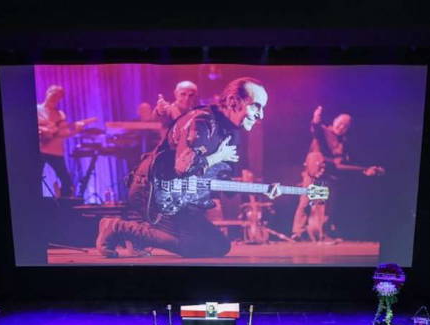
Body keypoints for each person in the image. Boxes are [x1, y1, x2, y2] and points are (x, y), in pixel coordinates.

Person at [96, 77, 278, 259]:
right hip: (151, 191)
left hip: (181, 199)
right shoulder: (202, 121)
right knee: (190, 245)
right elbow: (183, 168)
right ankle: (117, 227)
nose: (261, 115)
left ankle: (141, 236)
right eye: (256, 106)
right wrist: (217, 157)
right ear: (233, 101)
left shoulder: (228, 132)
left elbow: (222, 184)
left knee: (219, 245)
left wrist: (261, 189)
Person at [37, 85, 93, 199]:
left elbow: (65, 133)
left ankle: (64, 205)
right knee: (35, 178)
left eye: (58, 96)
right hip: (40, 149)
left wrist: (77, 129)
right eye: (53, 94)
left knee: (66, 181)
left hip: (56, 152)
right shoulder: (37, 109)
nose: (55, 98)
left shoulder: (60, 114)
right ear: (47, 92)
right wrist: (44, 130)